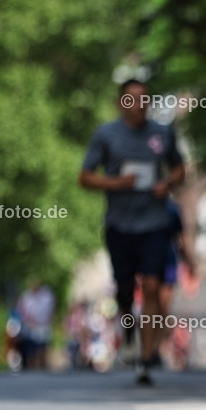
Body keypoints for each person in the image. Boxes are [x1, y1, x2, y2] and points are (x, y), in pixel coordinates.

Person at [80, 78, 185, 385]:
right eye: (131, 99)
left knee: (152, 286)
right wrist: (115, 184)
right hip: (119, 226)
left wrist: (169, 183)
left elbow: (180, 168)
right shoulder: (106, 135)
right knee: (125, 289)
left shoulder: (162, 134)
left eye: (143, 99)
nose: (138, 105)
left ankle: (146, 356)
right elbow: (85, 177)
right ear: (120, 103)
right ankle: (128, 327)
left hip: (154, 224)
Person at [16, 278, 55, 370]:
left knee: (42, 350)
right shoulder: (26, 296)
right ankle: (32, 368)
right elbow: (21, 310)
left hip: (43, 328)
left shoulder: (46, 296)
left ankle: (42, 367)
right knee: (31, 350)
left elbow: (50, 311)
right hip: (30, 328)